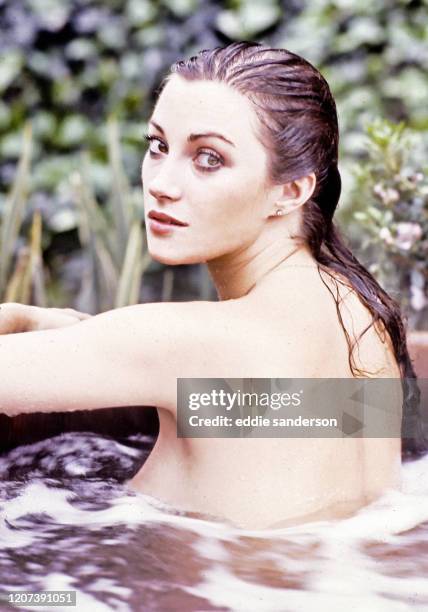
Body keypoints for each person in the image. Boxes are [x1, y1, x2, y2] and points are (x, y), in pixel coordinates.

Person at [0, 41, 425, 530]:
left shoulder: (190, 346)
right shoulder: (359, 314)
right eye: (158, 145)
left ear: (292, 190)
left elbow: (184, 354)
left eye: (208, 159)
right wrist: (43, 322)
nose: (161, 182)